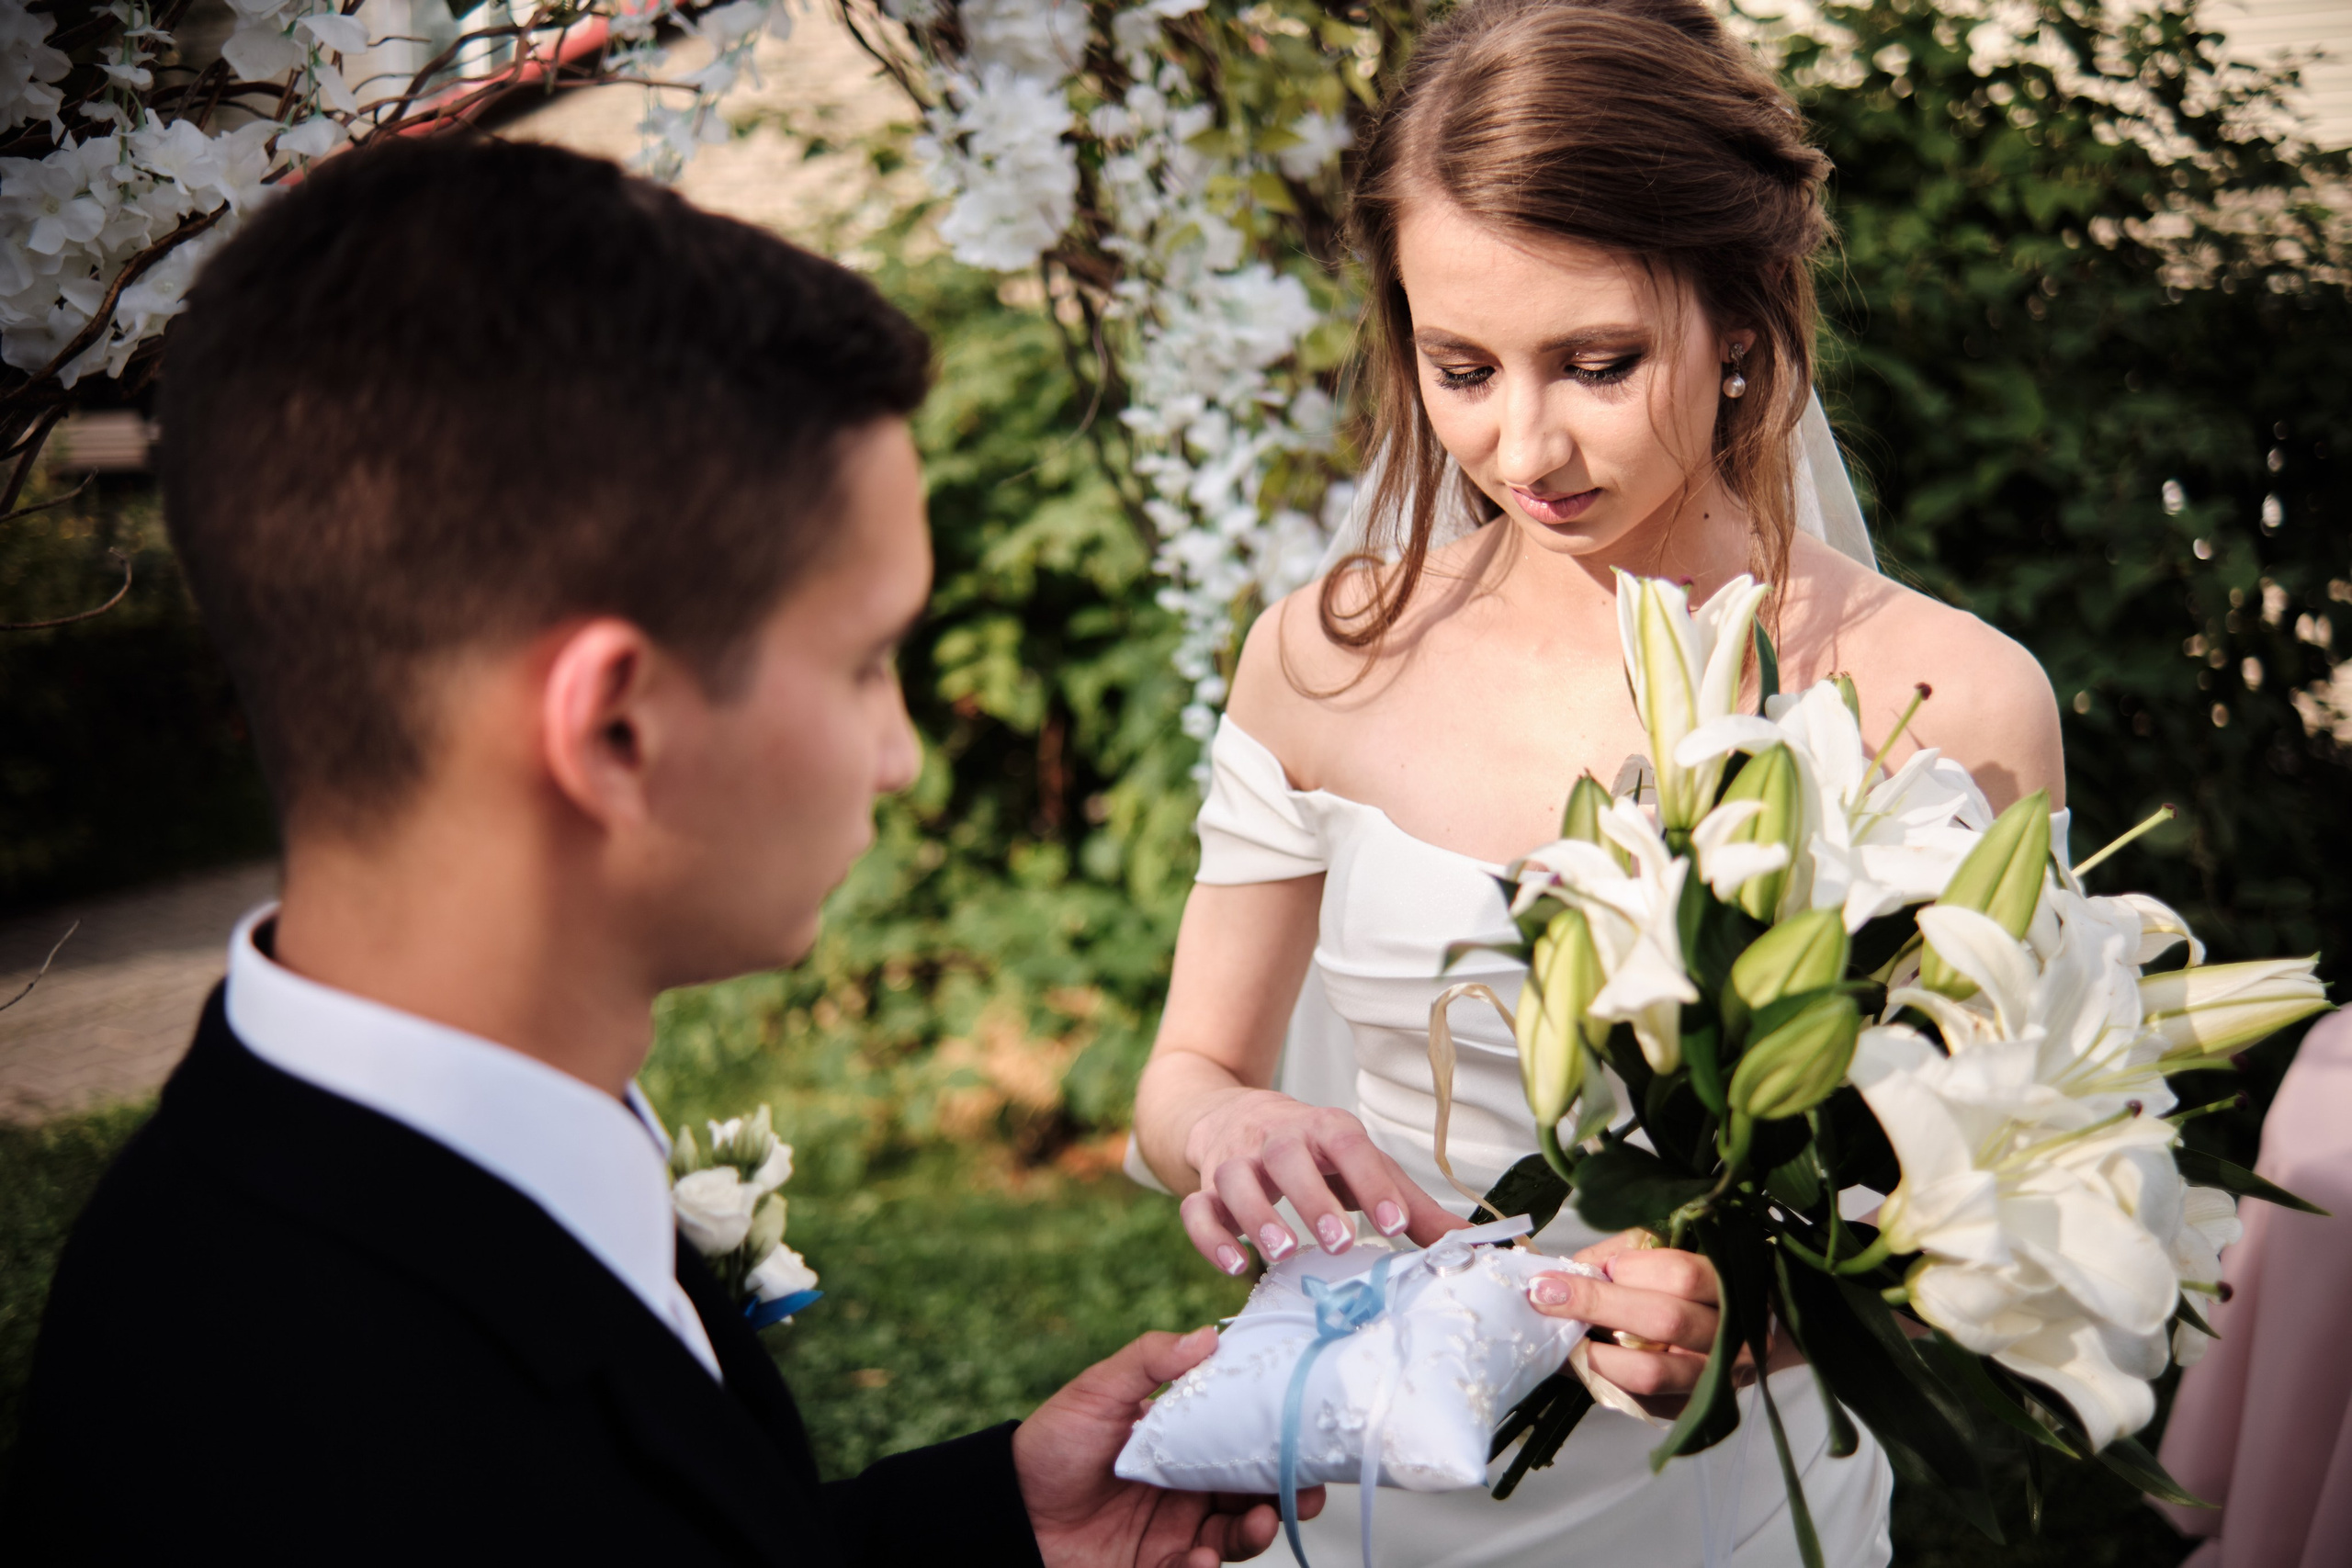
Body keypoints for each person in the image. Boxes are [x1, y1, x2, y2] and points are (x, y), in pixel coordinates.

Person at [5, 135, 1316, 1564]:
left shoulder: (329, 1195)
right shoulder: (314, 1453)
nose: (904, 753)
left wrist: (997, 1526)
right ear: (616, 730)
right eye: (869, 663)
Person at [1130, 0, 2065, 1563]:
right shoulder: (1323, 658)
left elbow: (2004, 1189)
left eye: (1598, 361)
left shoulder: (1954, 700)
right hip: (1382, 1489)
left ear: (1745, 322)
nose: (1526, 442)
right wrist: (1225, 1137)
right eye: (1462, 366)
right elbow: (1186, 1077)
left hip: (1735, 1502)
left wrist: (1770, 1313)